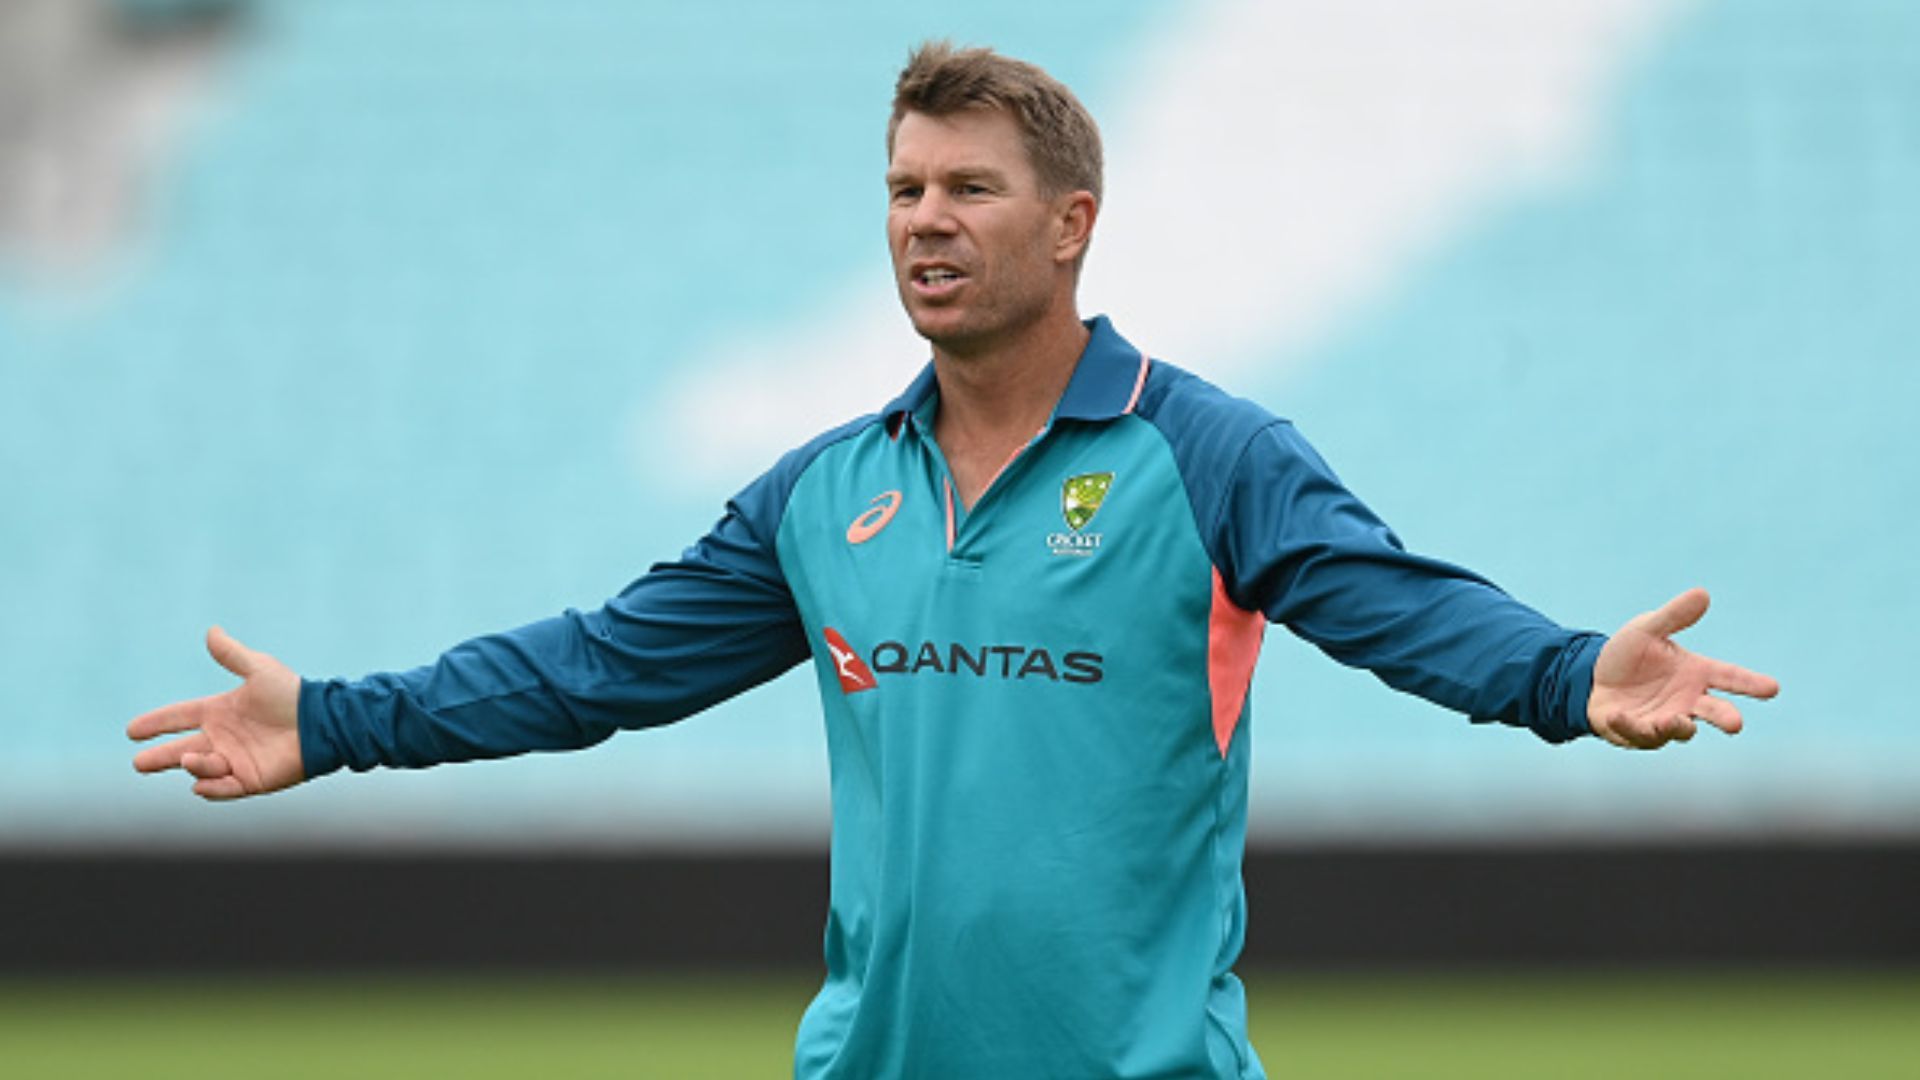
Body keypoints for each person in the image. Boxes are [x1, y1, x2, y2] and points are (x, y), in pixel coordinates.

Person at [128, 42, 1779, 1079]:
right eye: (906, 188)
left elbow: (1396, 608)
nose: (926, 218)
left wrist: (1571, 676)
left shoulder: (1206, 458)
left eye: (971, 188)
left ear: (1071, 223)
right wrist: (332, 719)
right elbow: (593, 667)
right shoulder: (820, 493)